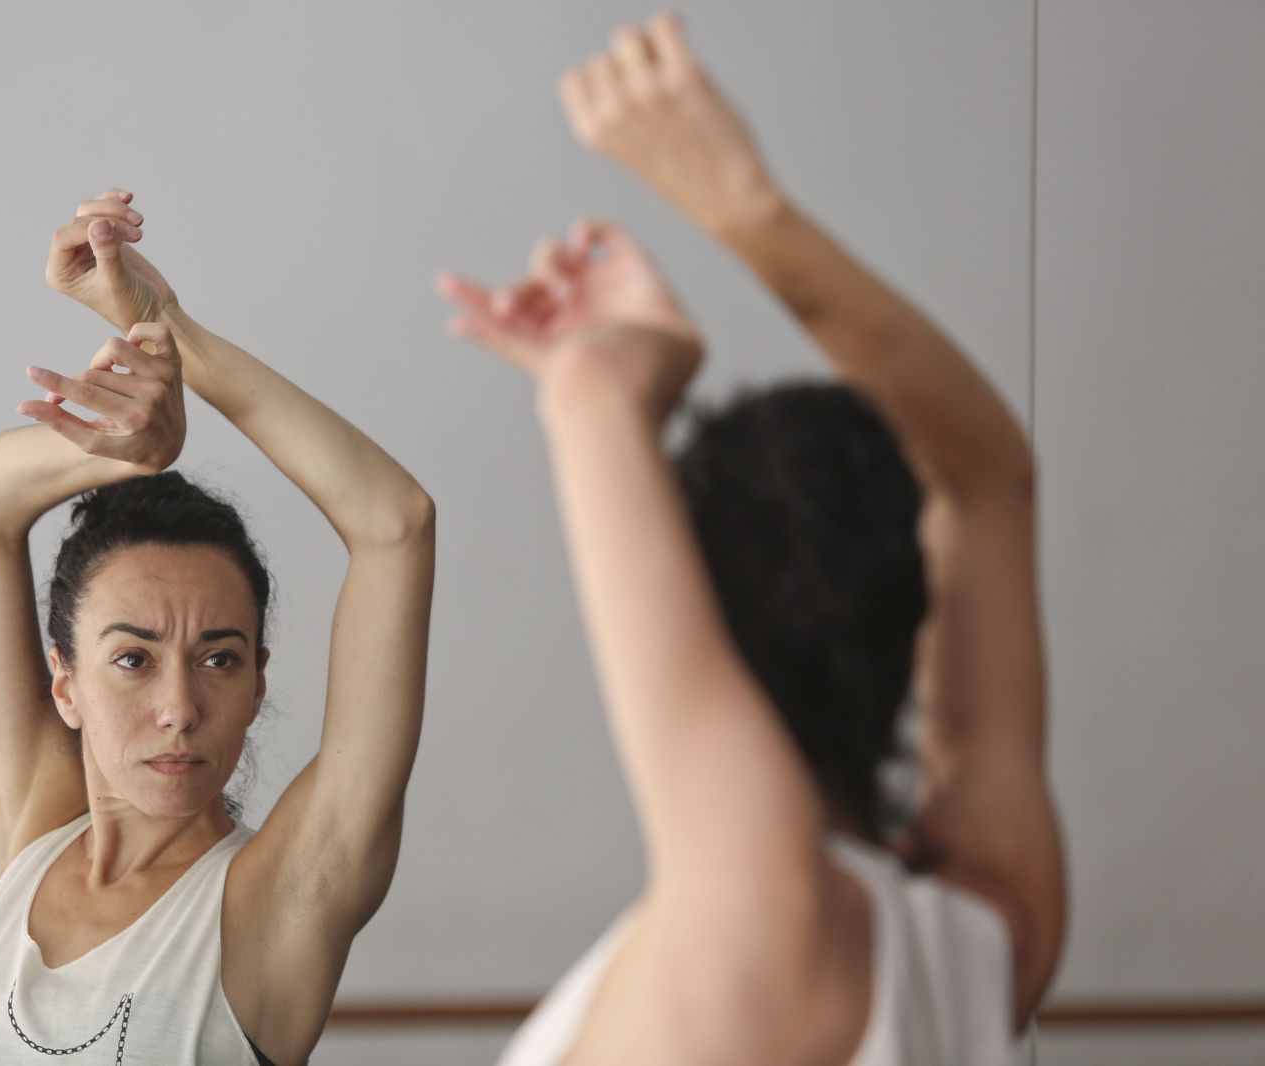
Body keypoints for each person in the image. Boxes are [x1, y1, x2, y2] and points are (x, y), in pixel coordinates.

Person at [437, 13, 1063, 1065]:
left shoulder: (764, 914)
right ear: (913, 611)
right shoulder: (984, 930)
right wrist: (746, 211)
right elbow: (985, 478)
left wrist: (607, 374)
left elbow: (591, 392)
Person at [0, 190, 435, 1065]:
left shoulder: (278, 900)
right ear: (64, 684)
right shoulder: (33, 832)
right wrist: (124, 446)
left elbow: (397, 522)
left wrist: (170, 329)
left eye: (219, 658)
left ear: (258, 681)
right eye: (131, 659)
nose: (179, 707)